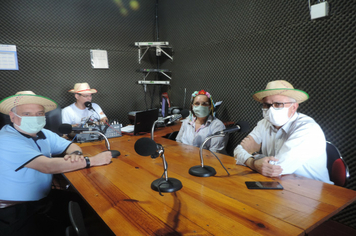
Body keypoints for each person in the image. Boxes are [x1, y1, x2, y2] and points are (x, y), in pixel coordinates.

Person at [0, 91, 112, 236]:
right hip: (13, 209)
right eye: (27, 114)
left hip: (43, 199)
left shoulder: (44, 133)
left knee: (88, 207)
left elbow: (70, 146)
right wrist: (93, 160)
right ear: (13, 116)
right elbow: (47, 166)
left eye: (39, 113)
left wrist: (75, 155)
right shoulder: (6, 139)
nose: (35, 118)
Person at [234, 80, 332, 184]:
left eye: (278, 104)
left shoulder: (308, 129)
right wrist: (255, 162)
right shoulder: (263, 123)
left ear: (293, 107)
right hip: (277, 185)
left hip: (313, 191)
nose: (271, 109)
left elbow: (276, 168)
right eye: (267, 105)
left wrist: (253, 159)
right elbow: (238, 150)